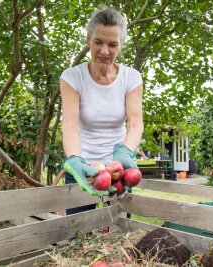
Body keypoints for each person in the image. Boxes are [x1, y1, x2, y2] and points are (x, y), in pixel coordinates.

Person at [60, 7, 144, 214]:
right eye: (98, 42)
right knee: (77, 234)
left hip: (117, 169)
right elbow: (70, 126)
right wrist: (74, 159)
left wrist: (126, 151)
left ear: (121, 45)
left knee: (119, 235)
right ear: (89, 39)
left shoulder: (131, 78)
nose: (104, 51)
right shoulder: (72, 77)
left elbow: (135, 123)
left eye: (112, 44)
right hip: (84, 167)